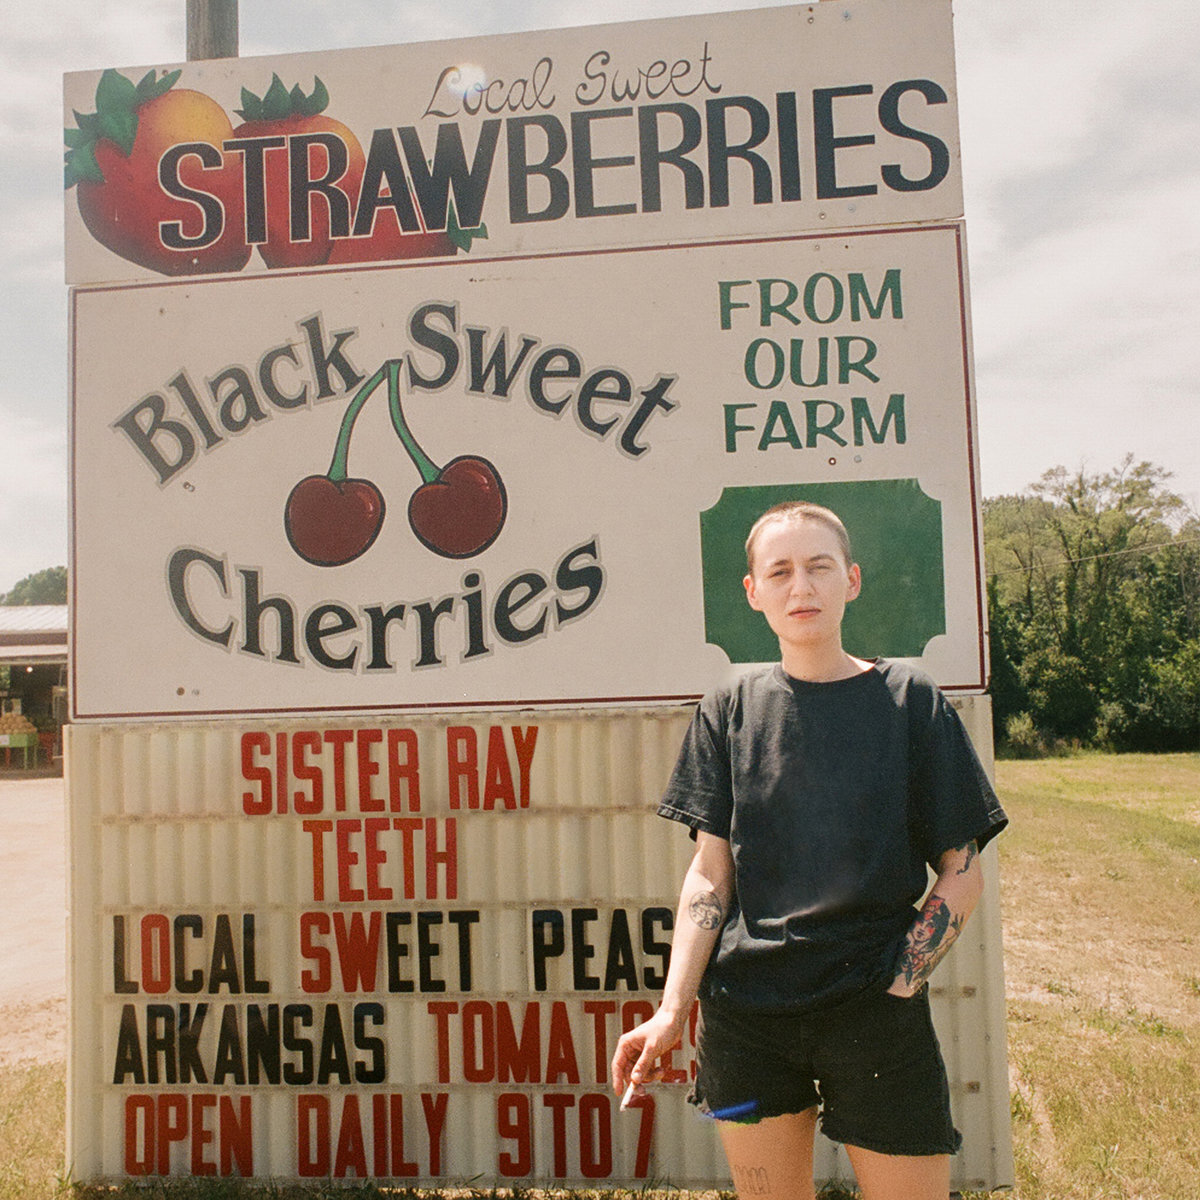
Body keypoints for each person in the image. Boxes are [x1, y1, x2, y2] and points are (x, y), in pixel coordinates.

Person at [611, 501, 1007, 1200]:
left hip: (877, 1018)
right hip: (746, 1024)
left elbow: (961, 871)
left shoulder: (911, 701)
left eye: (819, 567)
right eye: (782, 571)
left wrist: (900, 982)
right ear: (753, 591)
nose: (803, 587)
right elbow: (710, 875)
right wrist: (673, 1011)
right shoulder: (729, 707)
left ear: (850, 580)